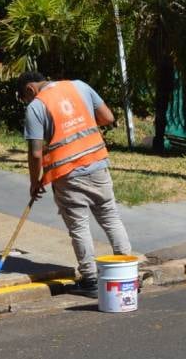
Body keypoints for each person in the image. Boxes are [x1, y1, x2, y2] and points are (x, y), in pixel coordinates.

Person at [17, 71, 133, 298]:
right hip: (97, 164)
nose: (27, 102)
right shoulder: (79, 86)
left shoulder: (36, 107)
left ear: (30, 89)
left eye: (25, 97)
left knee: (79, 227)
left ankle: (90, 280)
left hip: (67, 175)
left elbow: (36, 152)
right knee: (110, 218)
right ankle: (127, 273)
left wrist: (34, 181)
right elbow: (107, 118)